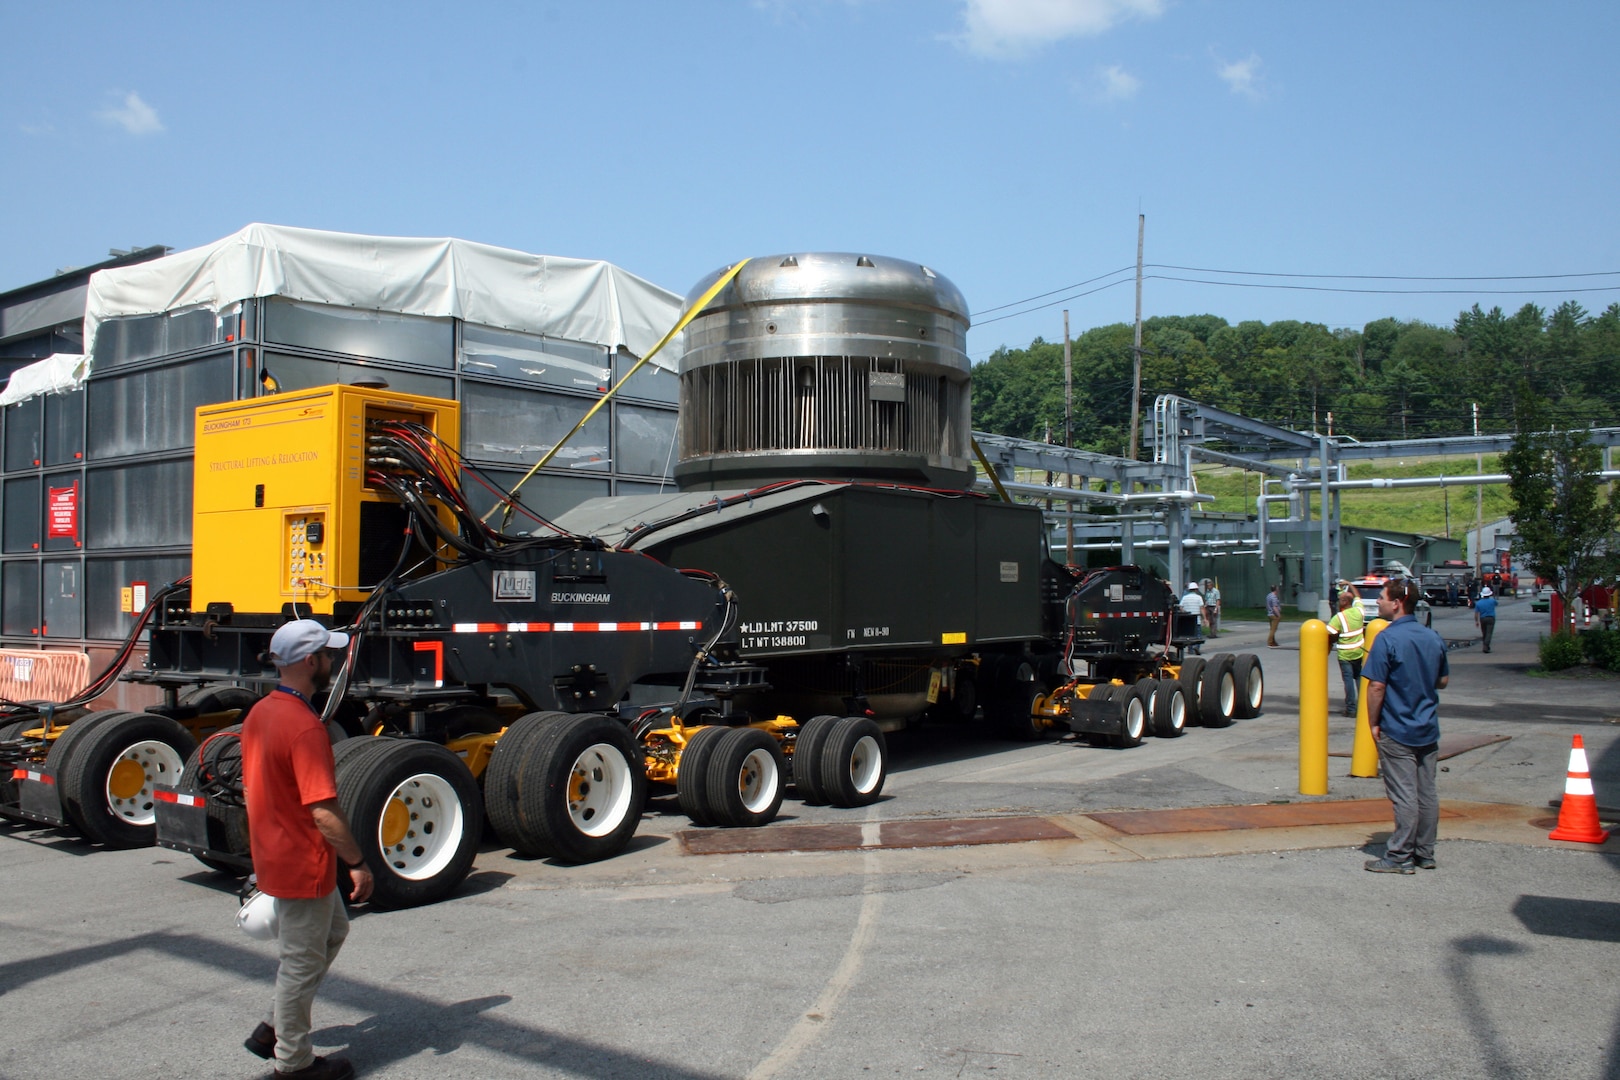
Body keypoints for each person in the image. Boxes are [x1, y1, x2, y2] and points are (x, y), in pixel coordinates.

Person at [241, 620, 373, 1080]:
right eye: (327, 655)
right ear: (308, 661)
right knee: (300, 964)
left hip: (277, 854)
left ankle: (273, 1028)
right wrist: (358, 863)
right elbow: (323, 811)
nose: (332, 663)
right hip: (304, 863)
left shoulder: (262, 712)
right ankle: (293, 1063)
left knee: (333, 934)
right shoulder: (305, 728)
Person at [1362, 578, 1449, 874]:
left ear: (1397, 603)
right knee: (1427, 793)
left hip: (1398, 727)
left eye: (1382, 597)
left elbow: (1376, 686)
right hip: (1427, 727)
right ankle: (1425, 853)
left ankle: (1399, 856)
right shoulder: (1432, 637)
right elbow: (1443, 680)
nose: (1378, 602)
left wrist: (1373, 722)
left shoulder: (1387, 639)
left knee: (1404, 795)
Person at [1325, 587, 1367, 717]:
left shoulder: (1339, 617)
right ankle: (1363, 706)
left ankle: (1351, 709)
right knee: (1359, 678)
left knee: (1348, 681)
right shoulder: (1359, 611)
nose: (1337, 602)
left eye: (1339, 600)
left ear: (1344, 602)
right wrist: (1349, 584)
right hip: (1359, 653)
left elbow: (1329, 633)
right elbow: (1357, 596)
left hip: (1345, 655)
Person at [1474, 586, 1498, 653]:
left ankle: (1486, 646)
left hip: (1482, 618)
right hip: (1491, 618)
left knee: (1484, 633)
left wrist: (1476, 621)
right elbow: (1496, 604)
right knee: (1489, 633)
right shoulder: (1492, 601)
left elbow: (1476, 614)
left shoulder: (1478, 603)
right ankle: (1486, 646)